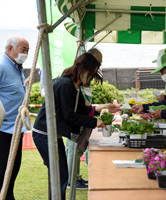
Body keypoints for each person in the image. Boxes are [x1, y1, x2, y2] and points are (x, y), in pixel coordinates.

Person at [32, 51, 120, 200]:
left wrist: (101, 107)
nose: (90, 78)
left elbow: (81, 110)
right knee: (60, 174)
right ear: (84, 69)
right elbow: (69, 116)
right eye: (91, 74)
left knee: (59, 174)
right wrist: (95, 122)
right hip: (44, 134)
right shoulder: (65, 84)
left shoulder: (73, 86)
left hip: (51, 134)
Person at [0, 35, 30, 200]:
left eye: (28, 50)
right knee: (3, 170)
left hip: (16, 128)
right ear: (10, 49)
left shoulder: (16, 66)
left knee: (13, 167)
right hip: (2, 130)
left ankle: (8, 196)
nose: (26, 53)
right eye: (23, 49)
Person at [65, 48, 103, 190]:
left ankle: (75, 177)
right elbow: (72, 113)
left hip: (83, 121)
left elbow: (85, 107)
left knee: (77, 150)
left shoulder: (82, 81)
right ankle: (71, 180)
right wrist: (94, 119)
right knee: (73, 149)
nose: (99, 66)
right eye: (98, 62)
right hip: (75, 124)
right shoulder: (69, 84)